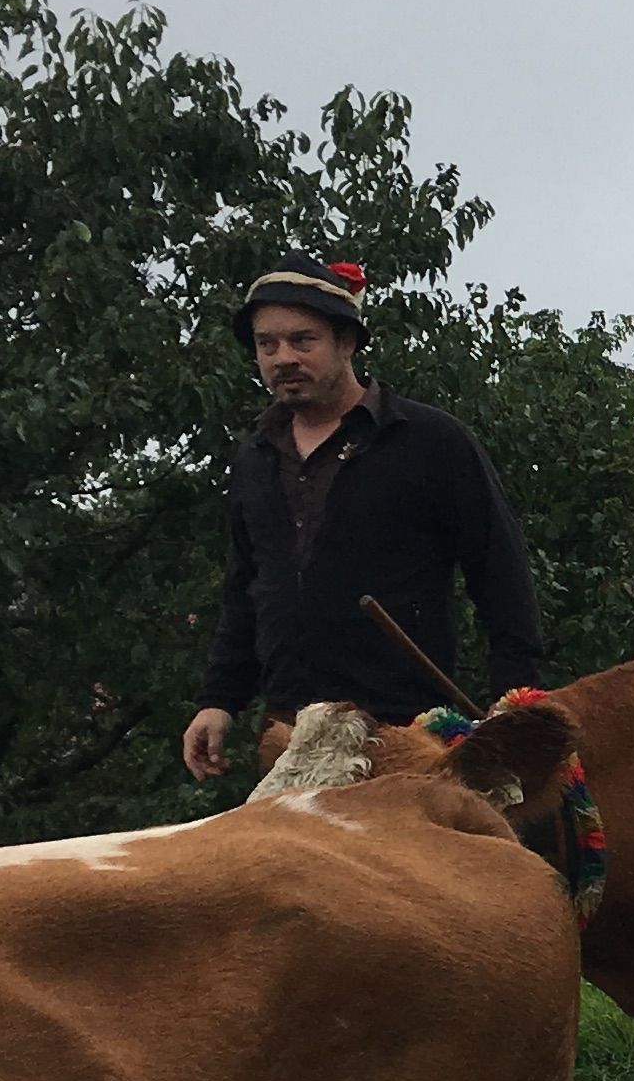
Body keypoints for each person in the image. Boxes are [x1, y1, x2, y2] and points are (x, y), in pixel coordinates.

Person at [182, 254, 549, 783]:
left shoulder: (431, 442)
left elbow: (500, 574)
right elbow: (245, 590)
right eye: (267, 344)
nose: (283, 357)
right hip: (289, 737)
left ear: (347, 342)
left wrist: (513, 703)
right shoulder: (255, 457)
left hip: (406, 733)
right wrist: (218, 700)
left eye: (302, 340)